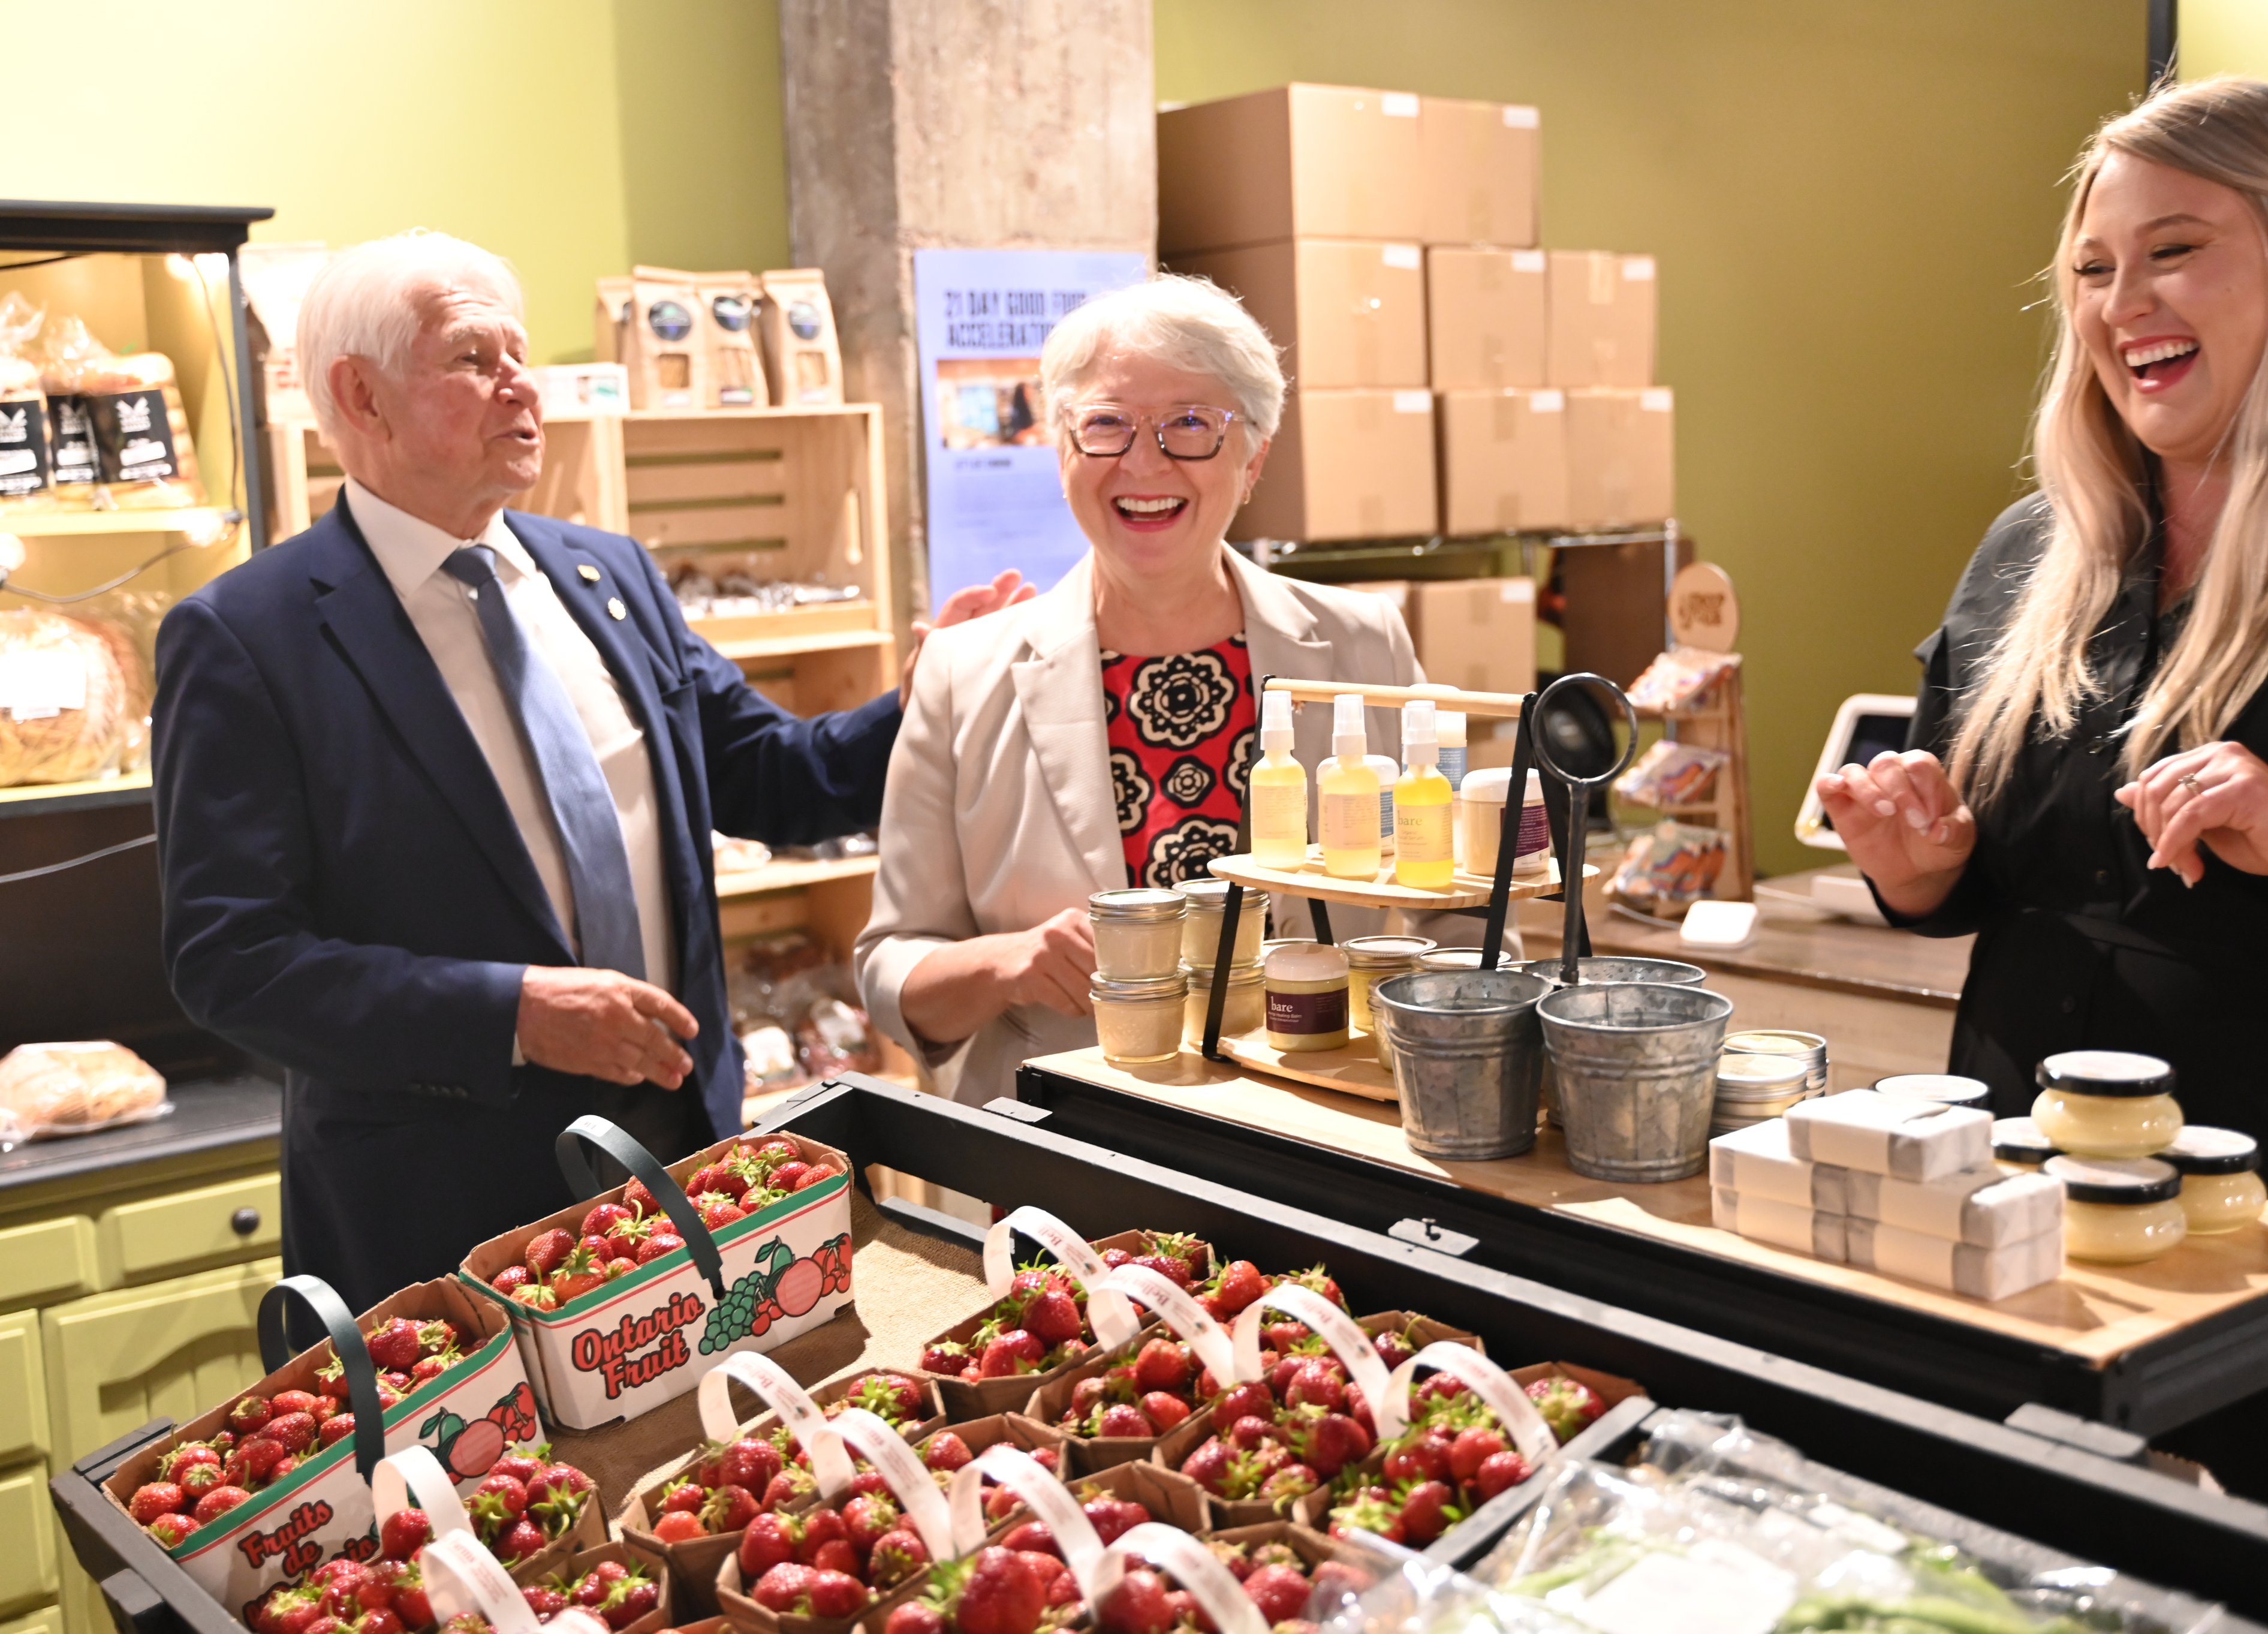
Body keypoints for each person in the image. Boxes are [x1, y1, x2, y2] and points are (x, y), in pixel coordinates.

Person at [1815, 77, 2268, 1542]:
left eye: (2173, 250)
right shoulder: (2041, 544)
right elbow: (1983, 873)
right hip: (2031, 1221)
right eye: (2091, 270)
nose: (2119, 305)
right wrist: (1919, 863)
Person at [153, 231, 1022, 1309]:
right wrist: (510, 1011)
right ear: (359, 396)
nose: (525, 383)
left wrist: (924, 698)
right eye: (475, 357)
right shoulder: (249, 637)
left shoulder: (604, 575)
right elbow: (231, 959)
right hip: (443, 1208)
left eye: (522, 352)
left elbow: (769, 778)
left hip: (683, 1152)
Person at [856, 275, 1429, 1108]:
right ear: (1062, 451)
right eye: (1107, 425)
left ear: (1255, 454)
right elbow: (889, 968)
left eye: (1190, 424)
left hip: (1327, 1139)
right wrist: (1008, 962)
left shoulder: (1362, 643)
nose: (1145, 461)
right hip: (1070, 1154)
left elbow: (1453, 915)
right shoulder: (959, 672)